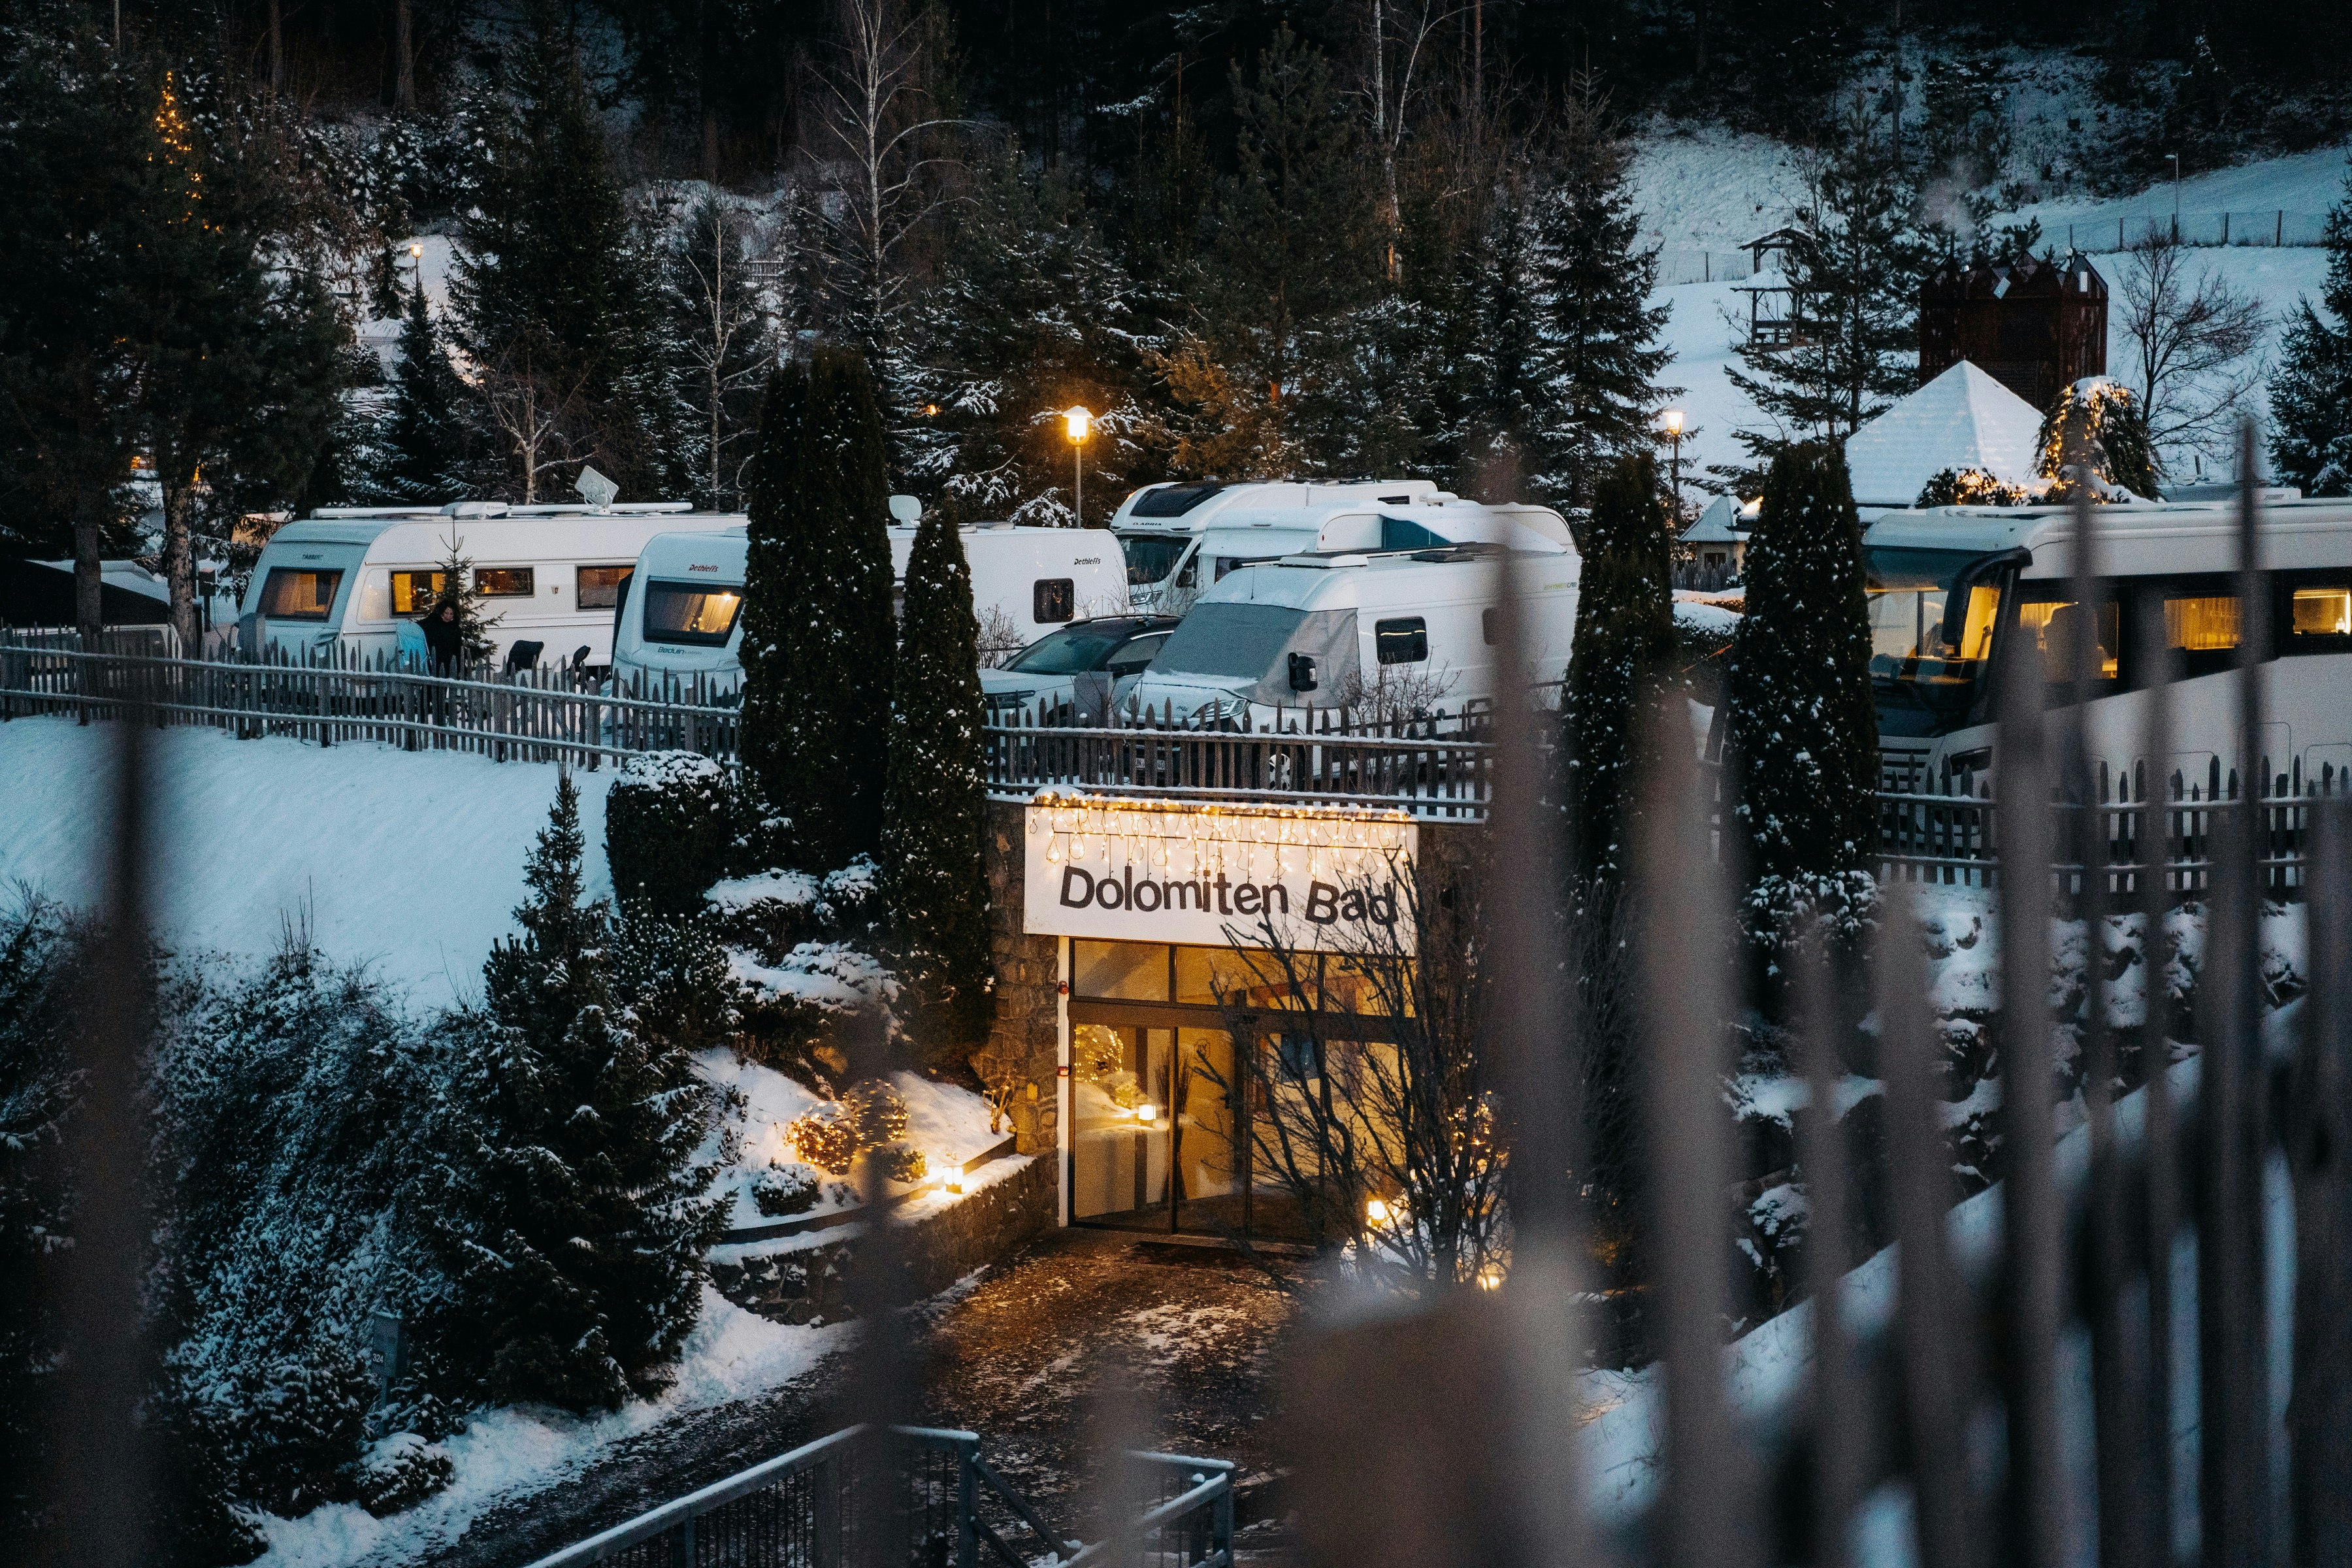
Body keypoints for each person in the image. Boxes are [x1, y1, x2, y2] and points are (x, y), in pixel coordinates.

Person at [419, 600, 463, 673]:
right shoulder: (432, 622)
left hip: (450, 664)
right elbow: (419, 626)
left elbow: (458, 649)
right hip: (434, 662)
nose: (448, 616)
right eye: (446, 613)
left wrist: (459, 668)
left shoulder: (455, 629)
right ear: (441, 612)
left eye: (451, 614)